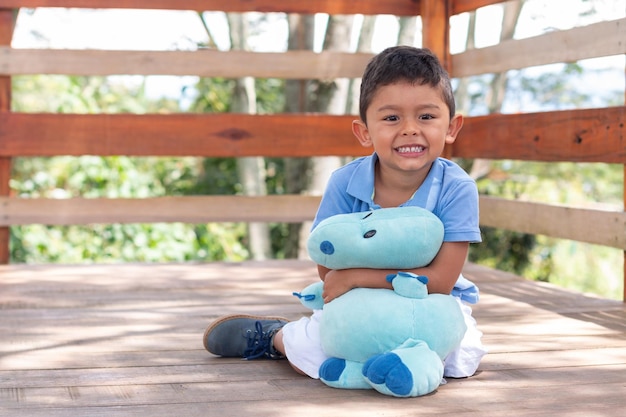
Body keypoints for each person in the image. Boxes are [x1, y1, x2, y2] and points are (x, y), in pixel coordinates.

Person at [203, 45, 487, 379]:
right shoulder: (346, 182)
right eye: (391, 118)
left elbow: (441, 281)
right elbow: (328, 265)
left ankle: (377, 367)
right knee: (311, 350)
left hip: (431, 303)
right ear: (364, 132)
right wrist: (355, 283)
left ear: (452, 127)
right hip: (361, 302)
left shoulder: (456, 188)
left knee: (460, 358)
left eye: (426, 116)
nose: (410, 129)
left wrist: (357, 276)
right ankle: (277, 337)